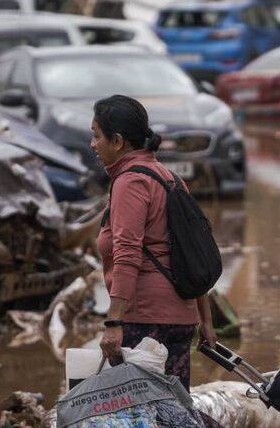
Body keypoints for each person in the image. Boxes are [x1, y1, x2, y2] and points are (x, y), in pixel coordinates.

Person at [91, 94, 217, 390]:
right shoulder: (168, 177)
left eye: (96, 136)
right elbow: (193, 254)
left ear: (118, 141)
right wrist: (205, 320)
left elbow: (127, 254)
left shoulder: (130, 182)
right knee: (173, 414)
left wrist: (113, 324)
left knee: (142, 415)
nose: (93, 145)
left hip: (145, 322)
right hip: (180, 322)